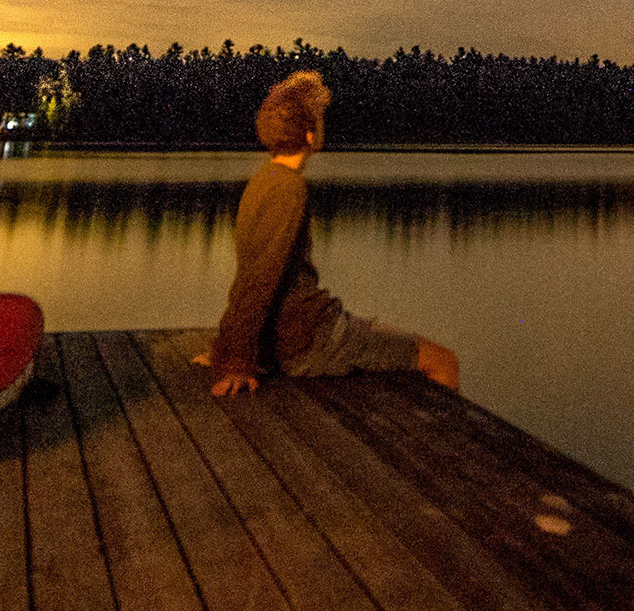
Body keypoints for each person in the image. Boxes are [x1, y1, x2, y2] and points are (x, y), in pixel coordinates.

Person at [197, 70, 460, 396]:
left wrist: (226, 346)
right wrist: (235, 361)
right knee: (443, 361)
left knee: (386, 338)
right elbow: (259, 277)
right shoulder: (288, 188)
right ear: (309, 136)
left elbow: (248, 272)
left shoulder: (263, 178)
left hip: (288, 334)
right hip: (308, 338)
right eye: (319, 121)